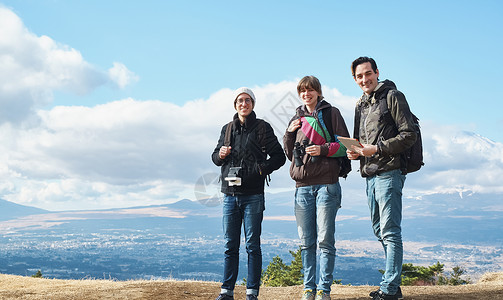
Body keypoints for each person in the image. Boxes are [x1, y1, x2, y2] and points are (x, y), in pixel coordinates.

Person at [347, 57, 417, 300]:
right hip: (370, 173)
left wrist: (376, 149)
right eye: (359, 76)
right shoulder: (361, 105)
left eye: (368, 73)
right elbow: (361, 141)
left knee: (389, 230)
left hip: (390, 171)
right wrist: (355, 152)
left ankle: (389, 288)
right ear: (355, 79)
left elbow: (409, 135)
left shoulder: (393, 97)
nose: (364, 79)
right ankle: (393, 285)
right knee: (379, 229)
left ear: (377, 72)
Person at [212, 87, 286, 300]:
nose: (243, 104)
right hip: (229, 195)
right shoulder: (227, 129)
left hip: (253, 194)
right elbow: (215, 158)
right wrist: (220, 154)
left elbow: (279, 157)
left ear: (253, 104)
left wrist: (260, 169)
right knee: (230, 245)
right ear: (235, 105)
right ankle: (227, 292)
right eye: (240, 101)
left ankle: (252, 293)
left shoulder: (262, 128)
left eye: (247, 100)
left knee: (253, 246)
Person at [283, 76, 350, 300]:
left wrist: (322, 150)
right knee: (306, 242)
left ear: (319, 92)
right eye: (302, 91)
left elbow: (346, 146)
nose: (306, 94)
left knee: (324, 240)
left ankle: (324, 290)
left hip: (327, 184)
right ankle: (308, 288)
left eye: (311, 90)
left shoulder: (332, 113)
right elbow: (289, 152)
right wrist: (290, 133)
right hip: (302, 186)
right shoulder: (296, 117)